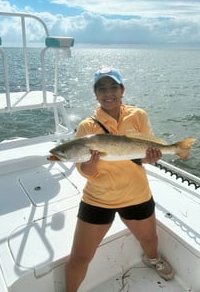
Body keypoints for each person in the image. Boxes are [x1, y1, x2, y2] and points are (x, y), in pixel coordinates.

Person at [65, 66, 174, 291]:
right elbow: (84, 171)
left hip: (136, 194)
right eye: (102, 88)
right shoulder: (87, 126)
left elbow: (140, 157)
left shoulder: (138, 115)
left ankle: (153, 259)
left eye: (113, 87)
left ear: (122, 90)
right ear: (95, 94)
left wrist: (150, 158)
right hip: (98, 199)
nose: (108, 93)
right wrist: (90, 164)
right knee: (79, 257)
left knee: (151, 241)